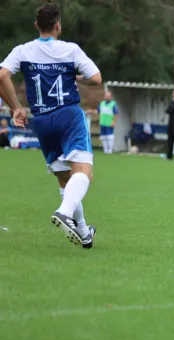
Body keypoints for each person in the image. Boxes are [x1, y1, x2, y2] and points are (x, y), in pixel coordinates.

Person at [0, 3, 101, 248]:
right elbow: (96, 79)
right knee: (84, 172)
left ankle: (84, 232)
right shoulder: (70, 50)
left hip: (42, 120)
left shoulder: (23, 50)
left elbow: (2, 75)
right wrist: (77, 77)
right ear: (58, 25)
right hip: (68, 115)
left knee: (66, 180)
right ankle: (64, 212)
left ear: (37, 26)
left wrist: (16, 108)